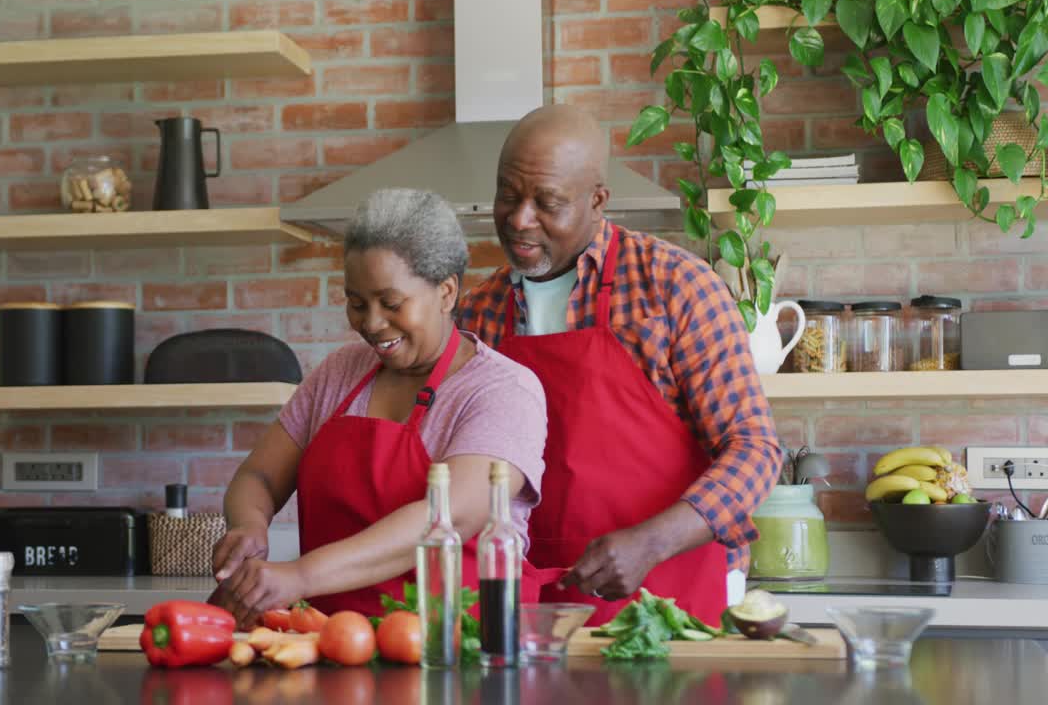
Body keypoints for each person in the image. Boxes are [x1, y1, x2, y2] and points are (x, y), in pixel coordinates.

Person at [456, 105, 783, 626]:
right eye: (507, 195)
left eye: (548, 202)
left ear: (598, 201)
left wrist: (652, 543)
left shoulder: (676, 287)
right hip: (532, 607)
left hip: (676, 598)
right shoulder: (478, 312)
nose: (520, 218)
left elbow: (755, 450)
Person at [210, 188, 550, 628]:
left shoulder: (502, 390)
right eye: (357, 303)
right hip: (333, 643)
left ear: (446, 292)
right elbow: (257, 477)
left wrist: (299, 576)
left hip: (457, 648)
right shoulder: (340, 372)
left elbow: (446, 516)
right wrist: (249, 526)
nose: (371, 323)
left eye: (391, 303)